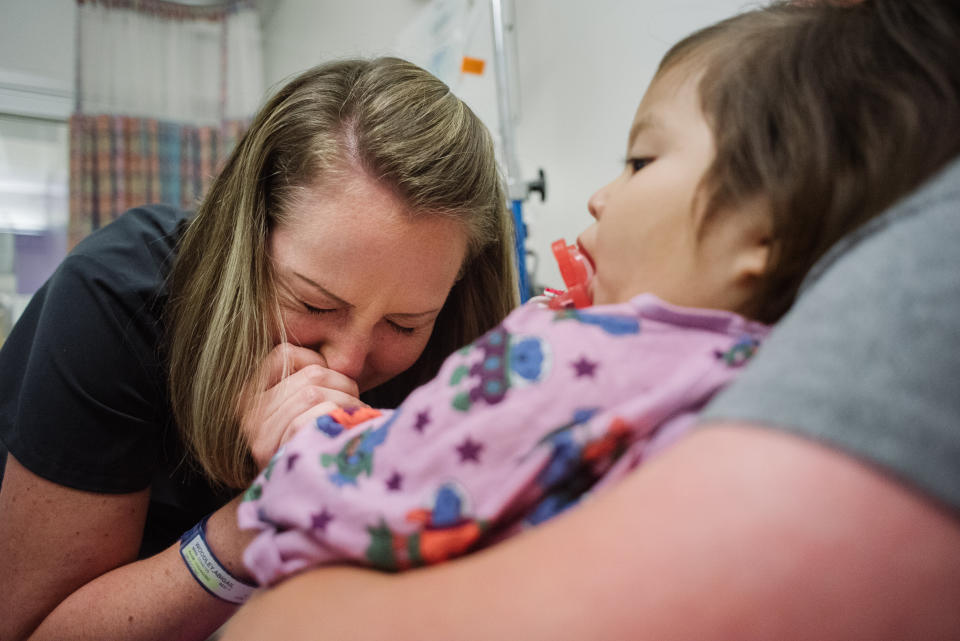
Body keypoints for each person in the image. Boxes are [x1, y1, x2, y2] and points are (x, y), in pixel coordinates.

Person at [220, 0, 960, 638]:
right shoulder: (753, 358)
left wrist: (302, 439)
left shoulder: (585, 356)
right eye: (316, 302)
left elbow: (394, 477)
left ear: (760, 237)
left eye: (639, 161)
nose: (603, 196)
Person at [0, 57, 517, 641]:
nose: (347, 364)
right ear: (246, 238)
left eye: (403, 324)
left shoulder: (455, 356)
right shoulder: (114, 300)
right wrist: (265, 517)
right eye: (316, 305)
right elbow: (33, 631)